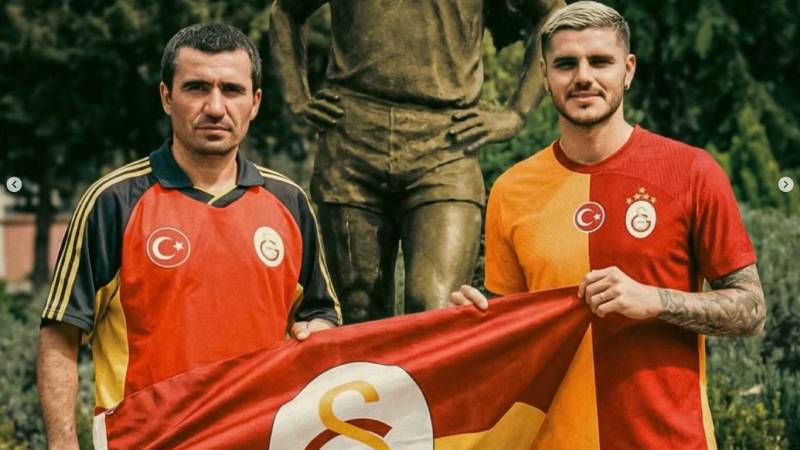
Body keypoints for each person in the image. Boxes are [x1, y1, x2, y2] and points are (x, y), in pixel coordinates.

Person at [449, 2, 766, 448]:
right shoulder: (511, 189)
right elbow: (514, 340)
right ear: (544, 74)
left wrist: (654, 300)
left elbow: (751, 310)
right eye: (566, 64)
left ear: (628, 70)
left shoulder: (692, 172)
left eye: (600, 61)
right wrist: (477, 323)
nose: (583, 76)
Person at [36, 23, 341, 449]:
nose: (215, 107)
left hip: (259, 440)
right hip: (147, 442)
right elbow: (60, 334)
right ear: (166, 97)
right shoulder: (113, 202)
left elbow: (320, 314)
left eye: (232, 90)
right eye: (197, 88)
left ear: (255, 102)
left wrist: (318, 328)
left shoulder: (290, 203)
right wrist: (63, 445)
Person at [269, 0, 565, 322]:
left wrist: (516, 112)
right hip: (353, 137)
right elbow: (286, 11)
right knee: (358, 310)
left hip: (445, 143)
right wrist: (297, 97)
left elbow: (552, 11)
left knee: (436, 307)